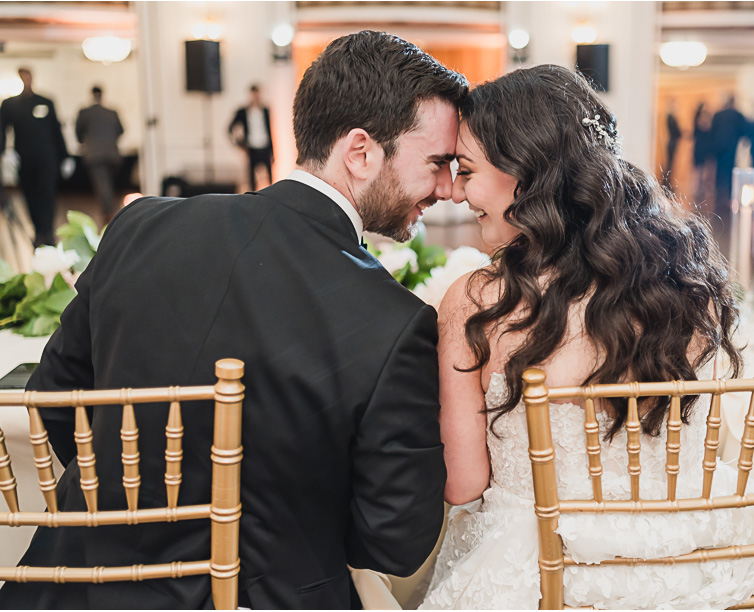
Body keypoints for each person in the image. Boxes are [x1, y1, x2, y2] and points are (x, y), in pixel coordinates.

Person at [0, 30, 467, 609]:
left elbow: (52, 403)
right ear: (361, 152)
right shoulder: (393, 323)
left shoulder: (139, 226)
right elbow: (394, 541)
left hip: (76, 590)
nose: (448, 189)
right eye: (437, 163)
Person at [419, 65, 754, 609]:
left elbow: (463, 487)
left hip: (544, 573)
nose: (458, 191)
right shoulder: (688, 284)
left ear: (526, 170)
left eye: (467, 170)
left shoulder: (477, 303)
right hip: (699, 565)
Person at [0, 67, 69, 246]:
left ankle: (48, 231)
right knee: (30, 195)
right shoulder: (10, 105)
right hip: (25, 158)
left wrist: (65, 156)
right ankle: (39, 230)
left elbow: (56, 130)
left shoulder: (46, 102)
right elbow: (2, 131)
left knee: (47, 194)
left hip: (48, 158)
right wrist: (5, 153)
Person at [75, 85, 124, 222]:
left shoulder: (85, 113)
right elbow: (121, 130)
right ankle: (109, 212)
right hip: (112, 154)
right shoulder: (111, 112)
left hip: (95, 154)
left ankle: (111, 214)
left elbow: (78, 132)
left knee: (103, 185)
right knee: (107, 184)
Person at [228, 84, 273, 191]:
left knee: (269, 177)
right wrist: (240, 143)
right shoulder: (243, 111)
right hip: (252, 148)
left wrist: (273, 151)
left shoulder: (265, 110)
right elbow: (230, 128)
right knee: (251, 179)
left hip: (264, 146)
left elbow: (269, 130)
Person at [710, 95, 747, 225]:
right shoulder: (737, 115)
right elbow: (744, 130)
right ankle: (730, 199)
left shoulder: (718, 115)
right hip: (731, 148)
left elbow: (712, 132)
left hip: (718, 149)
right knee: (730, 173)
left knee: (719, 173)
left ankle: (719, 196)